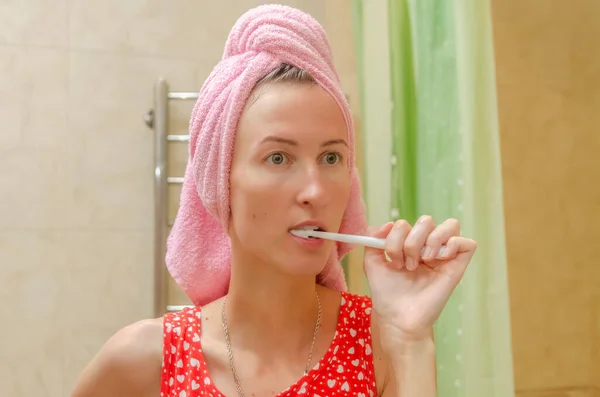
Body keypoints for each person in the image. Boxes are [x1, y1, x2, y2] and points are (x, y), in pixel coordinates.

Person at [71, 5, 476, 397]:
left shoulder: (385, 341)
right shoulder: (142, 363)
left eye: (331, 157)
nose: (315, 191)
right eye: (278, 157)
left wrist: (410, 340)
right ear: (219, 182)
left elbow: (404, 340)